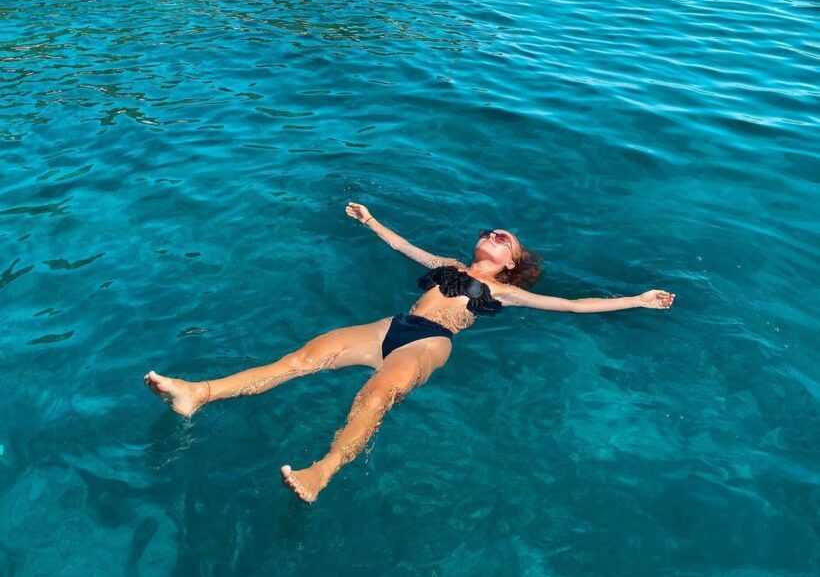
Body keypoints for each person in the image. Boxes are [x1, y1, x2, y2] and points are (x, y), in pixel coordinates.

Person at [143, 202, 675, 504]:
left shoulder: (506, 291)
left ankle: (322, 471)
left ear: (511, 264)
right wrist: (370, 220)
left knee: (376, 395)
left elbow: (573, 305)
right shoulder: (447, 264)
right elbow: (404, 247)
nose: (494, 234)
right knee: (299, 360)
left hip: (430, 342)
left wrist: (638, 300)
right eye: (491, 231)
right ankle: (198, 393)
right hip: (392, 325)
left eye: (504, 239)